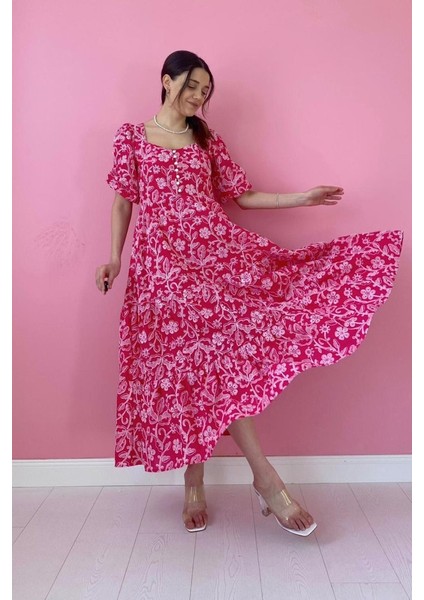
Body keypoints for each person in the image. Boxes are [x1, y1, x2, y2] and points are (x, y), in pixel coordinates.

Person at [95, 50, 403, 536]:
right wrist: (113, 257)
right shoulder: (131, 137)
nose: (199, 96)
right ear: (167, 80)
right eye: (193, 86)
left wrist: (302, 198)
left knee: (217, 367)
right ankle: (207, 480)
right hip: (160, 272)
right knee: (186, 372)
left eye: (205, 91)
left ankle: (261, 479)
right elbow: (122, 204)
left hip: (215, 262)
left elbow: (241, 196)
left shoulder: (206, 140)